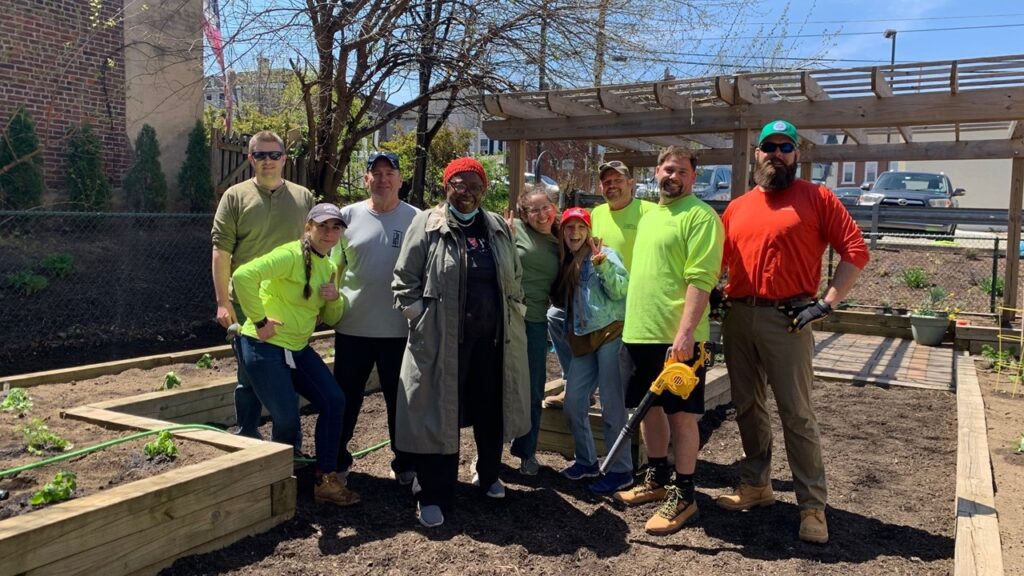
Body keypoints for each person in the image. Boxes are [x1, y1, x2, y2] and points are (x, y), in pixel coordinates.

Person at [716, 120, 869, 544]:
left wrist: (826, 303)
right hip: (739, 316)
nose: (777, 153)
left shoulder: (817, 198)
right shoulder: (738, 206)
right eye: (770, 146)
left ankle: (812, 506)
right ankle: (757, 485)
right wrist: (716, 289)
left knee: (796, 414)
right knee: (746, 405)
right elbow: (720, 260)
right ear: (758, 154)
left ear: (797, 155)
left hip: (788, 319)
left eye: (786, 147)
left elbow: (856, 251)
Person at [392, 157, 530, 528]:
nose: (466, 192)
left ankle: (488, 474)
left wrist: (513, 310)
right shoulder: (427, 223)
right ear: (446, 187)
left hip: (492, 342)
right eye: (459, 184)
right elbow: (404, 281)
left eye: (474, 185)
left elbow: (514, 278)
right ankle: (433, 492)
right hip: (441, 342)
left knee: (489, 408)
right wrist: (419, 318)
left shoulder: (497, 226)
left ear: (484, 189)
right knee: (438, 412)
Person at [614, 146, 724, 536]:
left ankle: (685, 492)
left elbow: (701, 278)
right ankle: (656, 477)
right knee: (648, 411)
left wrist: (685, 334)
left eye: (680, 170)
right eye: (665, 169)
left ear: (694, 176)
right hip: (639, 332)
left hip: (675, 339)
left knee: (682, 415)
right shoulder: (649, 216)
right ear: (656, 173)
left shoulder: (701, 216)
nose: (671, 176)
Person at [232, 203, 359, 507]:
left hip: (297, 348)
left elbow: (332, 314)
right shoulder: (289, 254)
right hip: (264, 345)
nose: (329, 233)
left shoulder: (328, 266)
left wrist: (334, 298)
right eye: (322, 226)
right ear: (308, 228)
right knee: (287, 415)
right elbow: (243, 275)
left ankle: (325, 479)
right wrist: (260, 321)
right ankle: (277, 486)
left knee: (334, 400)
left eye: (335, 228)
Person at [212, 131, 314, 439]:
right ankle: (248, 435)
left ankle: (288, 444)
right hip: (247, 303)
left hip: (289, 304)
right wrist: (222, 302)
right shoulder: (235, 196)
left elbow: (312, 250)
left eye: (273, 155)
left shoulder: (303, 197)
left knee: (289, 372)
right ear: (250, 158)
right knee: (249, 376)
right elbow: (221, 251)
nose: (267, 161)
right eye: (260, 155)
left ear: (284, 158)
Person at [331, 152, 420, 486]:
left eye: (389, 173)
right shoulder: (347, 216)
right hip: (354, 326)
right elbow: (334, 266)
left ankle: (406, 462)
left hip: (400, 329)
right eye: (376, 173)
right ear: (366, 179)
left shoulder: (417, 219)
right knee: (345, 397)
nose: (383, 179)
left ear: (400, 179)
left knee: (400, 399)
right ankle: (336, 459)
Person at [544, 160, 655, 408]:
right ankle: (573, 383)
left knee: (622, 374)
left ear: (631, 183)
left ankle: (627, 406)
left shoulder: (649, 212)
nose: (611, 186)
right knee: (556, 315)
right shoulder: (596, 214)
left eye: (618, 180)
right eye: (607, 182)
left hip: (637, 298)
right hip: (604, 298)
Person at [554, 207, 634, 494]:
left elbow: (621, 291)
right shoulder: (566, 260)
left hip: (610, 335)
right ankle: (587, 460)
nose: (574, 233)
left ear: (588, 230)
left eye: (580, 227)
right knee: (574, 403)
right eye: (568, 228)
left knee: (612, 407)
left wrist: (602, 264)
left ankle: (621, 470)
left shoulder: (605, 254)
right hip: (583, 339)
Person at [506, 183, 561, 476]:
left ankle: (527, 451)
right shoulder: (512, 230)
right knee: (498, 385)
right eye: (533, 209)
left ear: (553, 208)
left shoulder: (560, 240)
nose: (541, 214)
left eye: (545, 207)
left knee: (533, 388)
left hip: (537, 320)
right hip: (506, 317)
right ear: (524, 214)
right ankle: (486, 452)